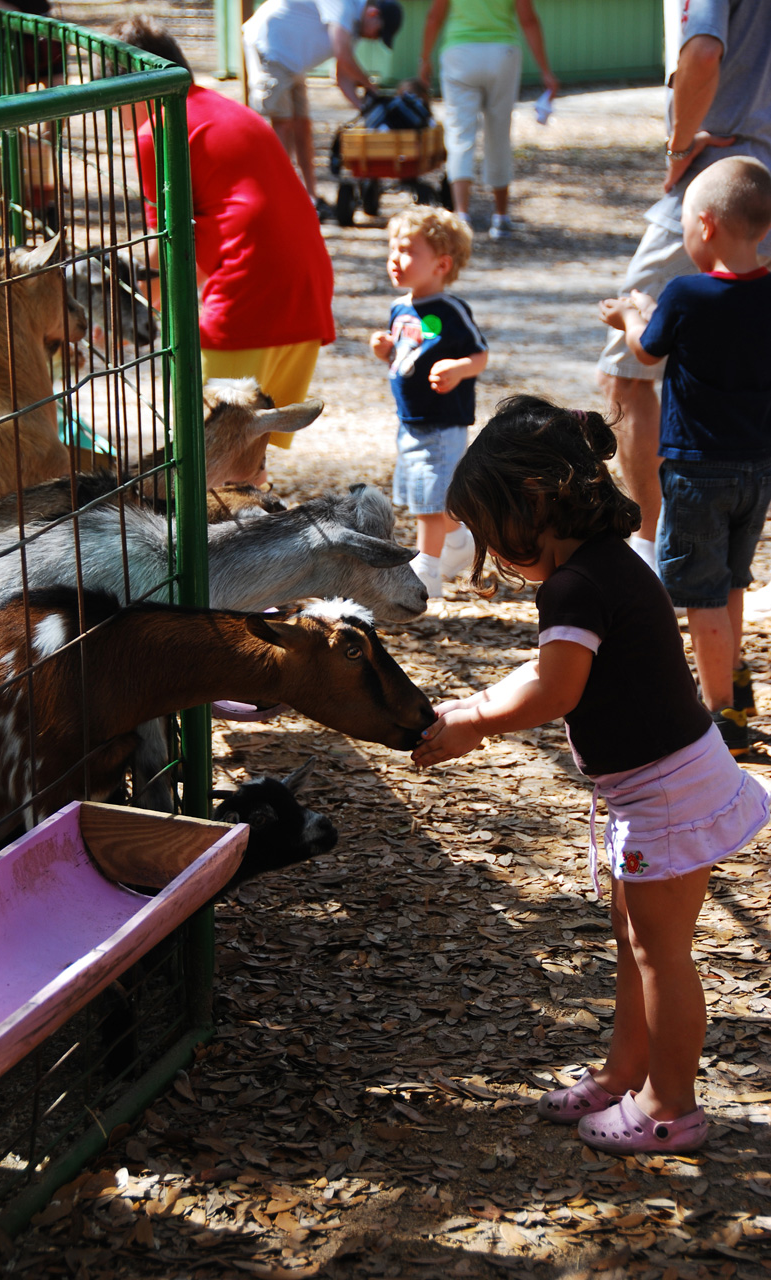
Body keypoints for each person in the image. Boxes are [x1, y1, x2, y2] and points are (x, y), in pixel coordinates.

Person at [411, 394, 770, 1154]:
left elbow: (555, 690)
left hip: (663, 796)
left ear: (534, 503)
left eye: (486, 529)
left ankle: (671, 1108)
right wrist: (475, 703)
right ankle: (623, 1078)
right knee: (635, 939)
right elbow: (548, 667)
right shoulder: (605, 567)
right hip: (664, 786)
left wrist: (474, 723)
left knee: (659, 954)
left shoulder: (576, 585)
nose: (485, 547)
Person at [600, 157, 771, 756]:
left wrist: (627, 315)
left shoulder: (687, 292)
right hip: (757, 468)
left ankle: (720, 713)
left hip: (698, 472)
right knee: (729, 582)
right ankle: (733, 687)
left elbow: (646, 353)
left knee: (699, 594)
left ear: (703, 225)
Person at [110, 17, 334, 465]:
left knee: (203, 462)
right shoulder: (228, 108)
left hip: (248, 300)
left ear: (126, 88)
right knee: (246, 464)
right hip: (307, 292)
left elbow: (165, 249)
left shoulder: (158, 127)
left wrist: (130, 318)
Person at [596, 0, 771, 572]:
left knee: (624, 372)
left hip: (722, 168)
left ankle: (651, 544)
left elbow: (700, 51)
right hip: (758, 178)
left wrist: (676, 150)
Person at [370, 206, 488, 600]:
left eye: (407, 250)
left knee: (429, 498)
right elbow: (406, 358)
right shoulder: (400, 308)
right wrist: (385, 350)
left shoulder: (450, 310)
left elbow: (480, 354)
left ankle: (427, 571)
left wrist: (458, 367)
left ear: (441, 263)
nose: (394, 259)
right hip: (410, 419)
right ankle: (458, 543)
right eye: (392, 249)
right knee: (422, 491)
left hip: (442, 422)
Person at [242, 0, 403, 218]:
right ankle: (278, 199)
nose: (374, 38)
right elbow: (342, 53)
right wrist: (370, 86)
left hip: (293, 62)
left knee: (303, 126)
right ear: (373, 14)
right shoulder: (345, 6)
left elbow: (341, 76)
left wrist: (368, 107)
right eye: (379, 32)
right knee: (284, 124)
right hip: (271, 47)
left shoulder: (353, 25)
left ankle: (311, 198)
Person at [418, 0, 558, 239]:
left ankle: (461, 216)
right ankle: (500, 216)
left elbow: (434, 16)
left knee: (460, 134)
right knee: (499, 133)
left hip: (459, 53)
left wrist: (424, 58)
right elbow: (528, 19)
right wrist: (545, 70)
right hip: (501, 53)